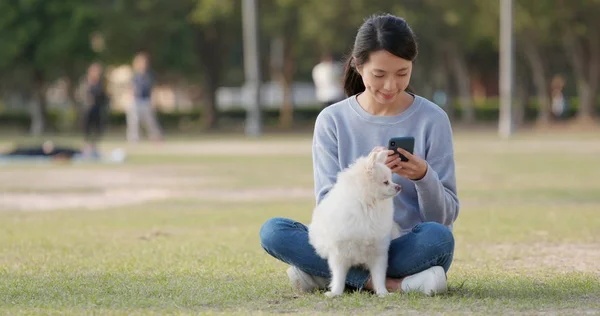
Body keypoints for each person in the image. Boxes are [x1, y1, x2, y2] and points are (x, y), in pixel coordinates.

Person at [260, 14, 459, 296]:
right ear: (358, 65)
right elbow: (328, 207)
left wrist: (424, 177)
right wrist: (364, 175)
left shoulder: (432, 119)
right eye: (379, 75)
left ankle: (325, 276)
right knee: (274, 232)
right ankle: (393, 285)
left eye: (402, 73)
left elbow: (442, 219)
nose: (391, 85)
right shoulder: (332, 120)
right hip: (349, 242)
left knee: (438, 238)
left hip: (405, 248)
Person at [126, 51, 163, 143]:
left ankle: (156, 137)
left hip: (146, 100)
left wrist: (153, 100)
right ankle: (133, 139)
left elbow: (153, 89)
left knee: (150, 121)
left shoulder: (149, 75)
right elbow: (131, 88)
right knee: (133, 121)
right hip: (136, 101)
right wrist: (130, 99)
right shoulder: (134, 75)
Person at [83, 62, 109, 156]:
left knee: (97, 129)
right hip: (89, 110)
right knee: (88, 129)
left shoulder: (101, 83)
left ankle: (94, 147)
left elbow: (103, 97)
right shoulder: (87, 82)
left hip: (98, 109)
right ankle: (87, 147)